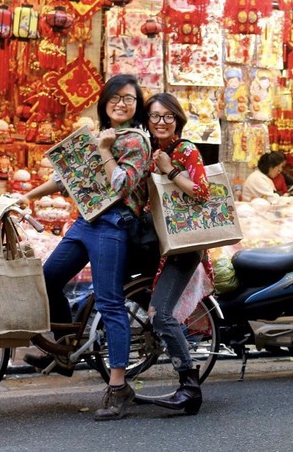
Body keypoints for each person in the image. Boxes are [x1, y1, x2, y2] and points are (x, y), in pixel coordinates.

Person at [20, 74, 151, 421]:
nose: (121, 103)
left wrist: (105, 149)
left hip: (113, 226)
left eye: (129, 99)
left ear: (136, 106)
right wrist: (26, 196)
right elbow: (67, 179)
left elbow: (122, 185)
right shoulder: (98, 136)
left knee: (109, 303)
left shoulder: (136, 141)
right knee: (48, 279)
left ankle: (118, 387)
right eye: (116, 97)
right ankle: (63, 351)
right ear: (104, 101)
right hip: (85, 222)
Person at [144, 92, 211, 415]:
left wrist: (170, 171)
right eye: (155, 116)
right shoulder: (152, 151)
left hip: (185, 244)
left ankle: (190, 387)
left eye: (167, 116)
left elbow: (202, 192)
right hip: (164, 244)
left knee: (161, 314)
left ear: (177, 120)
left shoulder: (185, 150)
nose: (161, 122)